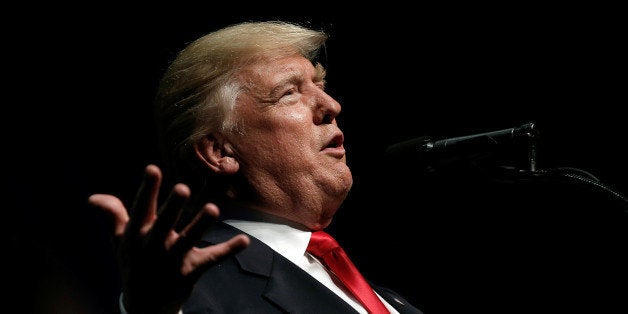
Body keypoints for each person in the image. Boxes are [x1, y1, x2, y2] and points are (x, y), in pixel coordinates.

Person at [88, 20, 422, 314]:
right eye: (288, 93)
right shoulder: (196, 287)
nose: (331, 105)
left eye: (319, 87)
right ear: (220, 151)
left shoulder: (382, 295)